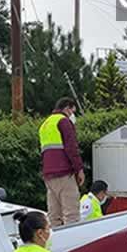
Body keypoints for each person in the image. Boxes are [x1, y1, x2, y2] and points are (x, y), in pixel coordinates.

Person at [38, 97, 84, 227]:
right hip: (64, 173)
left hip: (49, 175)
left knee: (54, 216)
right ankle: (73, 243)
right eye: (72, 111)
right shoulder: (63, 121)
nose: (72, 115)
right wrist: (79, 170)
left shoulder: (45, 124)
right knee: (72, 215)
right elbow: (72, 148)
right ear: (67, 108)